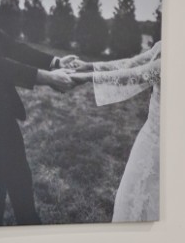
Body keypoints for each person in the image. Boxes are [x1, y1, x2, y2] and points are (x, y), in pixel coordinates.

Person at [0, 11, 75, 226]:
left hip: (3, 117)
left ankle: (30, 227)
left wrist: (54, 61)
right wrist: (46, 78)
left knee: (21, 180)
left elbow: (10, 47)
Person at [54, 39, 161, 221]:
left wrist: (86, 77)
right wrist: (89, 66)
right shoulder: (164, 44)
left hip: (160, 142)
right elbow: (133, 63)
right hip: (151, 135)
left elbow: (139, 74)